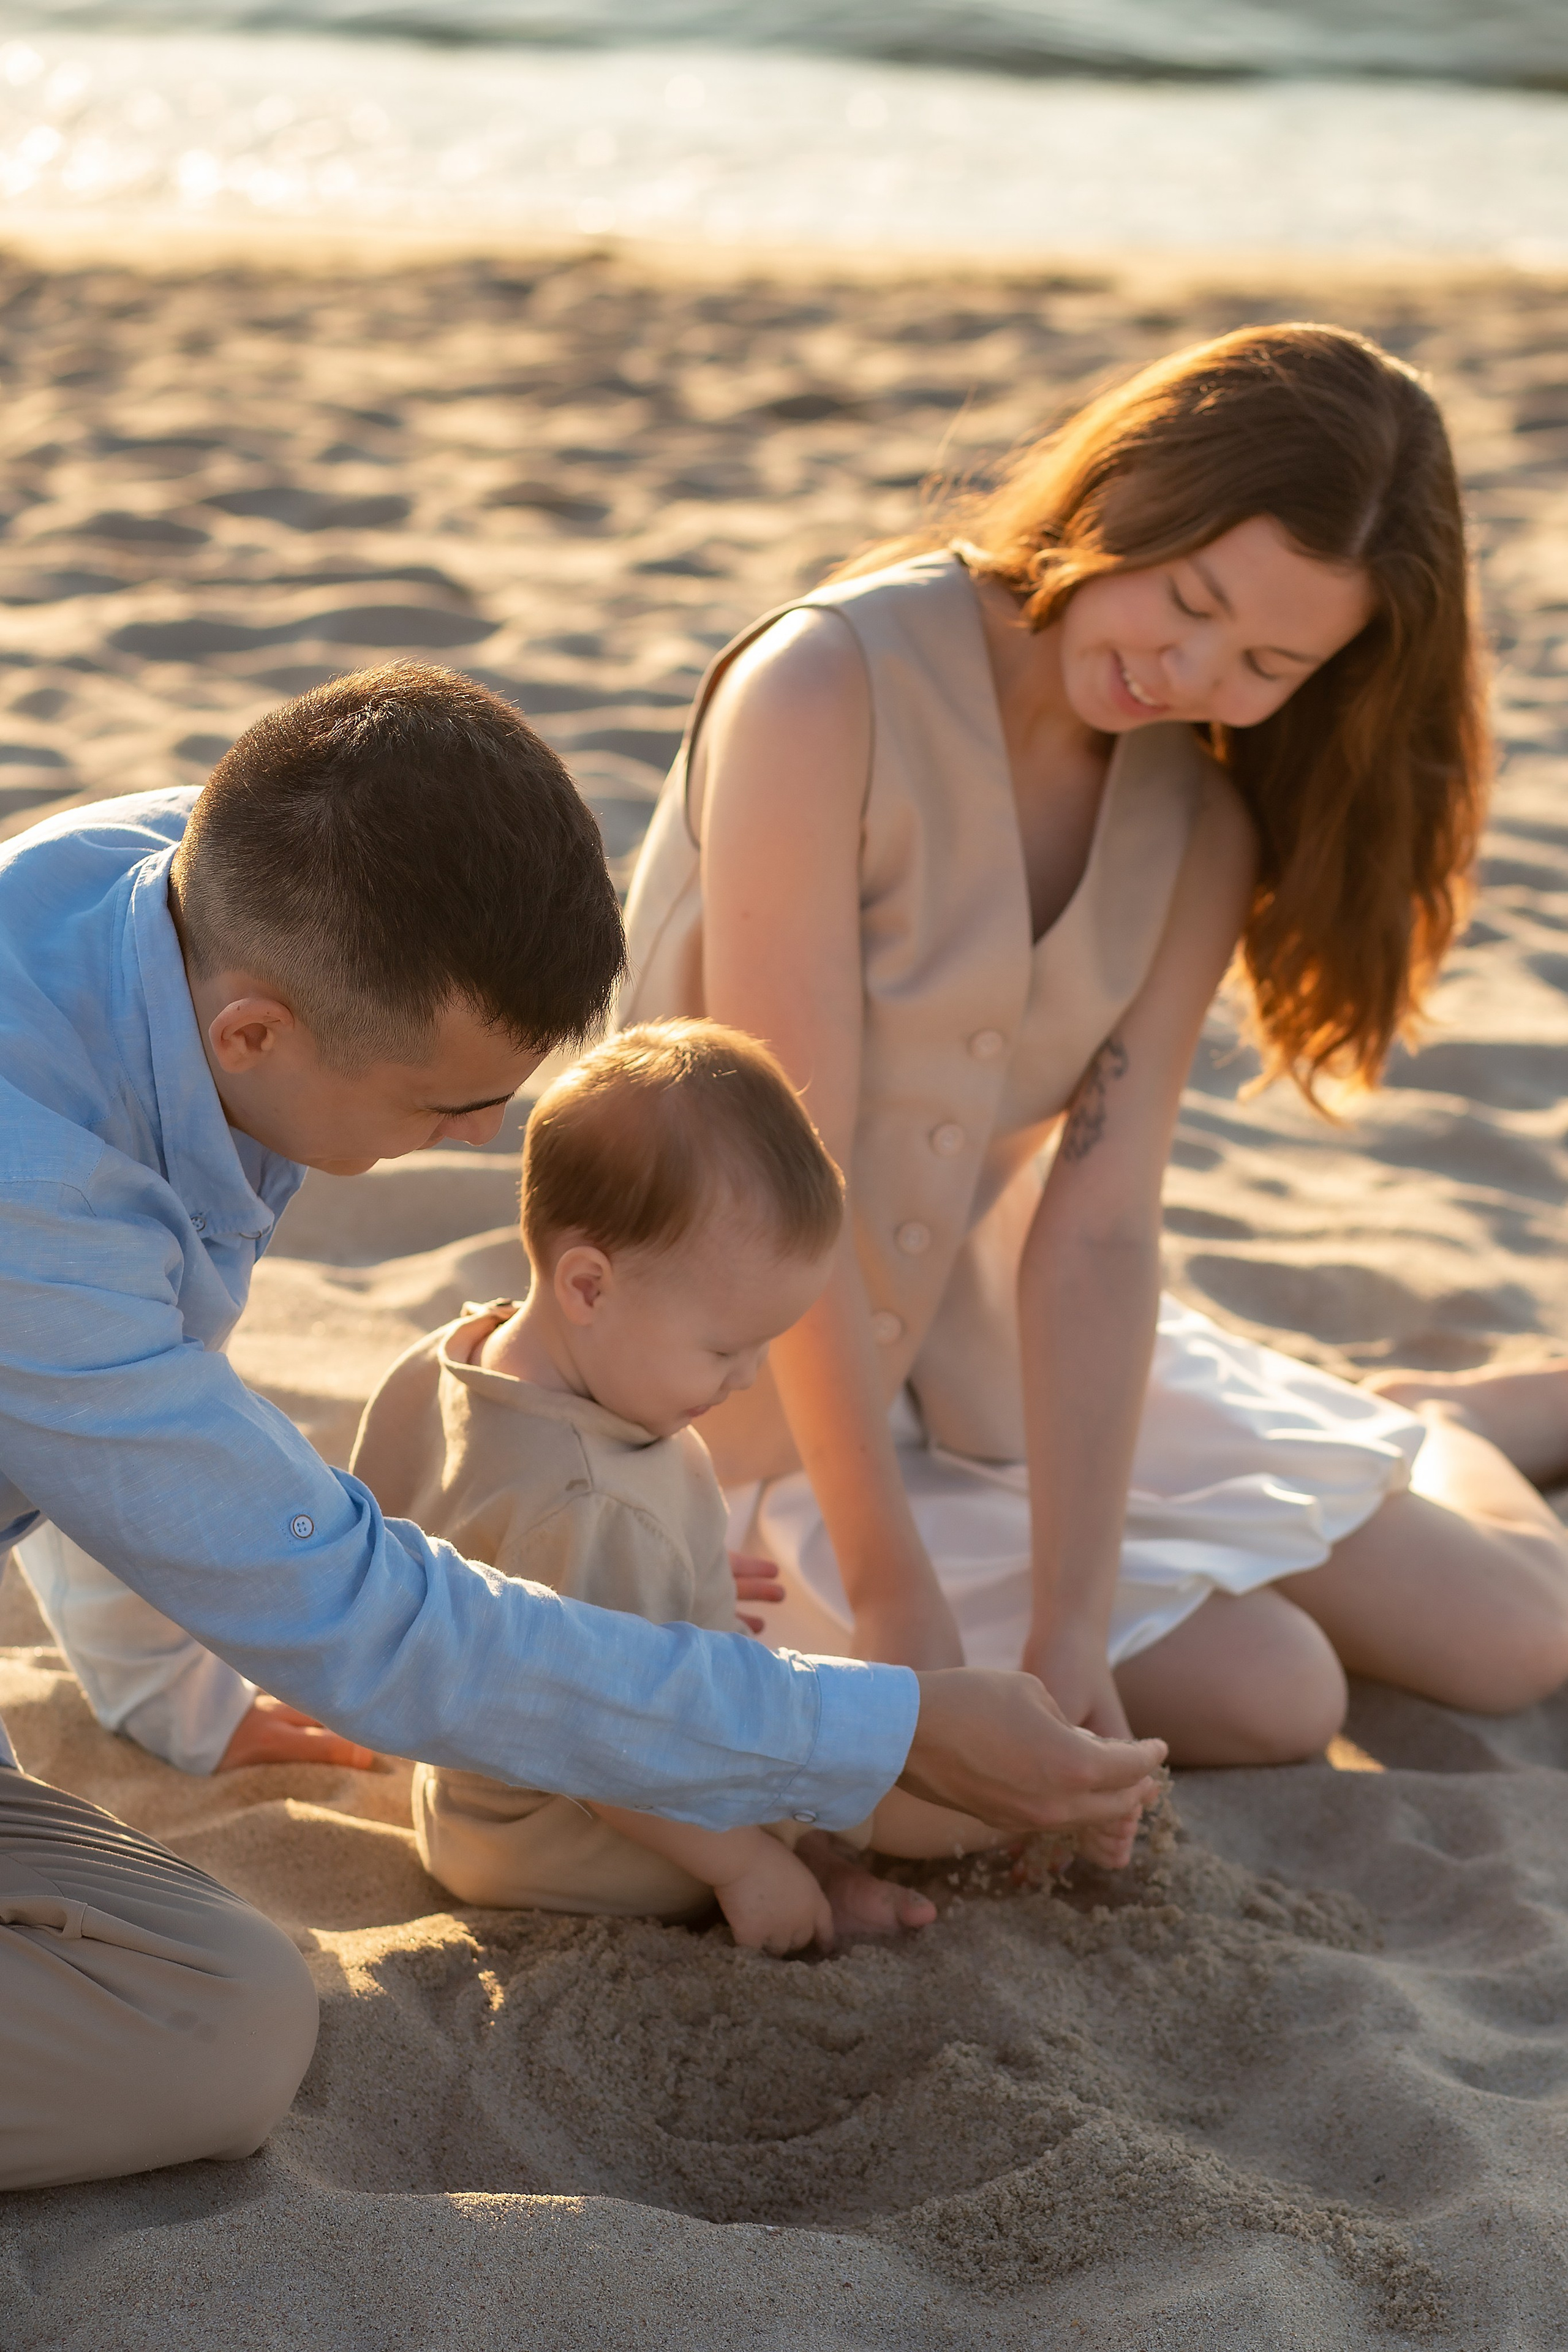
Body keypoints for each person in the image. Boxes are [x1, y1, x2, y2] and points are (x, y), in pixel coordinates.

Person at [0, 662, 1166, 2192]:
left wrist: (167, 1689)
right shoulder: (40, 1195)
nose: (484, 1140)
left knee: (197, 1986)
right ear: (254, 1035)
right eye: (445, 1106)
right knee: (218, 2035)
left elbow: (103, 1404)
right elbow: (375, 1621)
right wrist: (875, 1726)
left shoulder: (157, 893)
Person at [617, 321, 1568, 1770]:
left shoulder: (1199, 826)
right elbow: (769, 1180)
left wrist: (1071, 1615)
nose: (1186, 671)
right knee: (1274, 1696)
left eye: (1266, 661)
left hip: (996, 1351)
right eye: (1186, 599)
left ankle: (1440, 1417)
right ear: (1123, 495)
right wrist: (890, 1595)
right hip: (739, 1377)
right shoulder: (822, 688)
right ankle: (1377, 1417)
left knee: (1513, 1636)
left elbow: (1100, 1227)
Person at [353, 1022, 1087, 1956]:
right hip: (562, 1839)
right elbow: (611, 1748)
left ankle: (826, 1870)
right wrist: (745, 1867)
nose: (747, 1380)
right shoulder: (591, 1503)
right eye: (724, 1349)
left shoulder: (456, 1355)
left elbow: (400, 1527)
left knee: (783, 1750)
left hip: (469, 1803)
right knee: (882, 1797)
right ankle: (1022, 1820)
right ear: (588, 1286)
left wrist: (670, 1579)